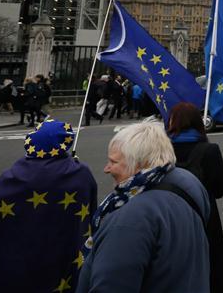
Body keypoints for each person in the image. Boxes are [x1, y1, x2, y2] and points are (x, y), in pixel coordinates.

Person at [77, 120, 211, 293]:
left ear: (139, 164)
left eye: (113, 161)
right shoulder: (189, 182)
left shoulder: (129, 221)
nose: (106, 169)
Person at [0, 119, 98, 293]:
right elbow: (90, 212)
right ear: (65, 142)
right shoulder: (80, 174)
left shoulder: (11, 175)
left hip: (19, 260)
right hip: (60, 255)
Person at [166, 103, 223, 293]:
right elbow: (220, 189)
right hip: (204, 215)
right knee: (208, 262)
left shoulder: (162, 149)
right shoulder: (209, 150)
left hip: (170, 215)